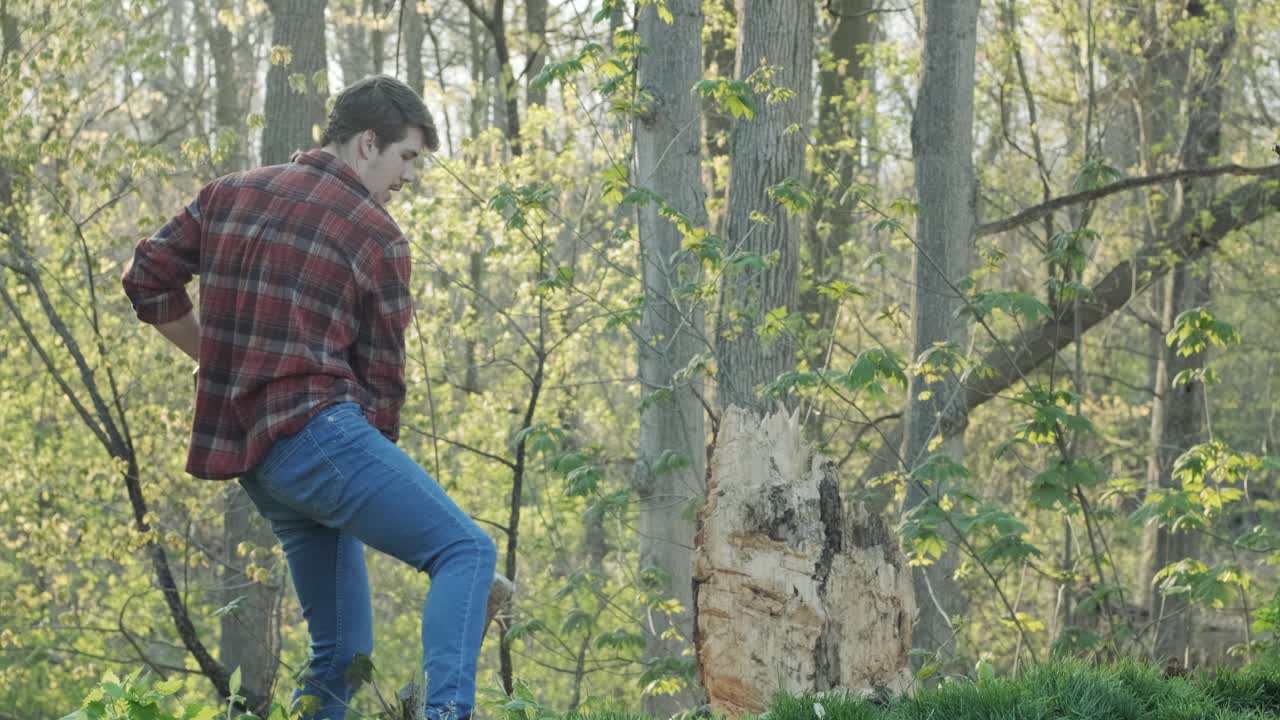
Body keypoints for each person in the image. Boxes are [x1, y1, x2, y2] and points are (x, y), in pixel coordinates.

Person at [122, 75, 497, 720]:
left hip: (259, 463)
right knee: (467, 552)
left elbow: (146, 277)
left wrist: (222, 360)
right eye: (405, 158)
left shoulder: (230, 193)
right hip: (321, 439)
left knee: (341, 650)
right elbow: (381, 391)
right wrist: (369, 473)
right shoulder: (376, 235)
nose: (407, 179)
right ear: (366, 144)